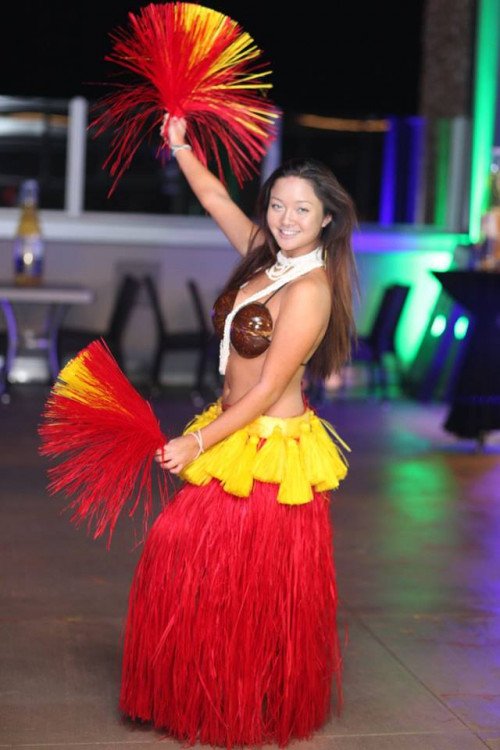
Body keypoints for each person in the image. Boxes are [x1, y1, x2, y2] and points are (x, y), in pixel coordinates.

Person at [119, 116, 358, 748]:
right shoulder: (267, 258)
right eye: (278, 204)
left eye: (301, 209)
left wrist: (198, 441)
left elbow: (263, 391)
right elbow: (215, 197)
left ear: (326, 219)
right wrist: (178, 147)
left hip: (266, 447)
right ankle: (205, 692)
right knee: (192, 563)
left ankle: (241, 702)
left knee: (231, 574)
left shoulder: (309, 289)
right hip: (230, 430)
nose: (285, 218)